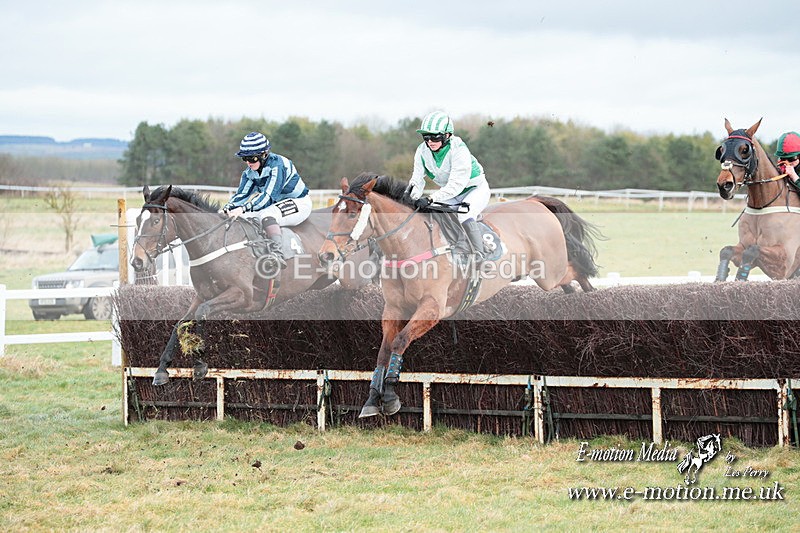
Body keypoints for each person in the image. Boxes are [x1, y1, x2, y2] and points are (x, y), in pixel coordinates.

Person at [405, 111, 491, 264]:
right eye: (426, 137)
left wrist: (431, 198)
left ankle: (481, 255)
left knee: (464, 215)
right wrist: (409, 197)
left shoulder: (459, 150)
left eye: (435, 137)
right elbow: (417, 179)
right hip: (450, 192)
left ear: (447, 135)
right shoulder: (422, 151)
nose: (430, 141)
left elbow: (456, 185)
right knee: (432, 213)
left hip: (474, 189)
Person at [222, 132, 312, 270]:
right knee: (243, 218)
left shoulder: (278, 165)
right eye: (244, 158)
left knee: (267, 215)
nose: (248, 162)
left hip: (298, 202)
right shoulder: (249, 173)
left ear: (264, 154)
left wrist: (243, 208)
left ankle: (277, 254)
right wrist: (225, 209)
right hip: (275, 204)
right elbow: (241, 196)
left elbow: (268, 196)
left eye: (251, 158)